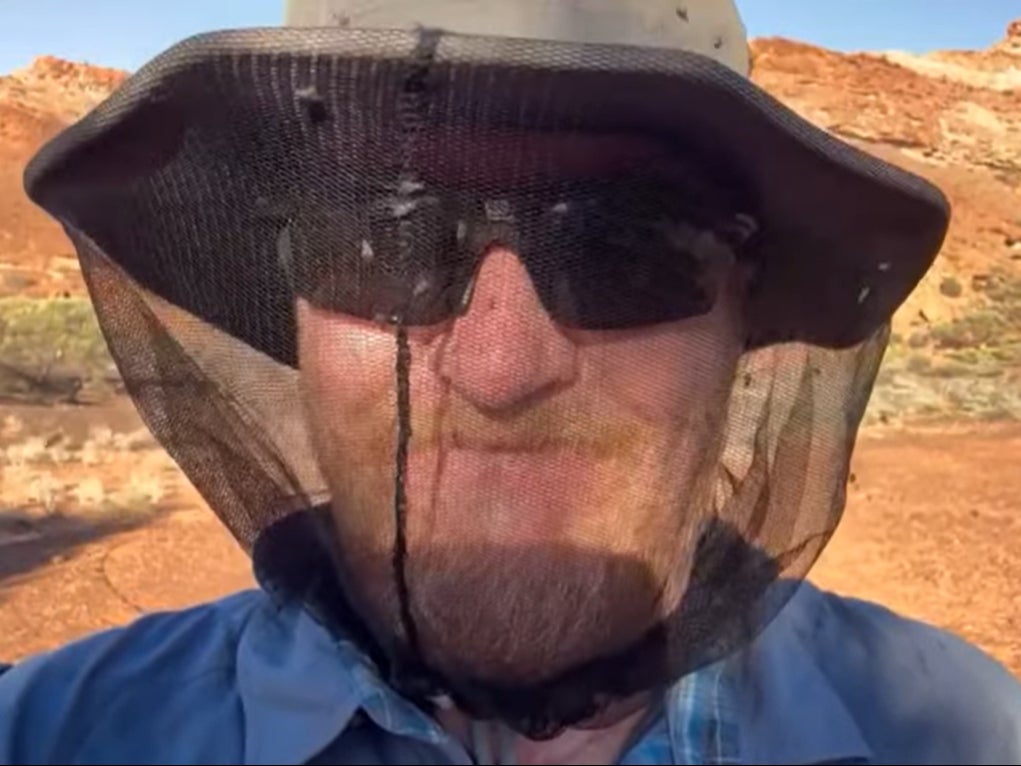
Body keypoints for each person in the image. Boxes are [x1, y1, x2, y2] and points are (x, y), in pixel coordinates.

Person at [2, 0, 1020, 763]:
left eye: (626, 248)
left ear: (742, 320)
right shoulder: (56, 731)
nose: (500, 369)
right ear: (294, 310)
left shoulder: (960, 732)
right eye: (379, 243)